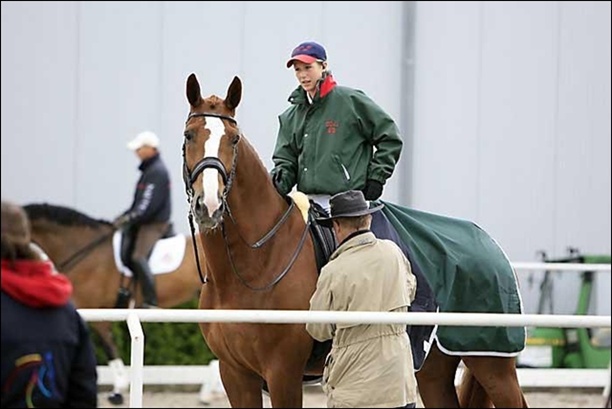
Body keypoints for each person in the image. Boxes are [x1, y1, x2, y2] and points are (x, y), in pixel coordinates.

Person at [305, 190, 418, 408]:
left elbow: (317, 328)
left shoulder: (334, 270)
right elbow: (410, 289)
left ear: (337, 226)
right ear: (369, 219)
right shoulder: (393, 253)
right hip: (399, 383)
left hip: (357, 389)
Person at [270, 40, 403, 212]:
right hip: (308, 207)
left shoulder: (351, 101)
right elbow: (285, 161)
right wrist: (275, 185)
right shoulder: (290, 117)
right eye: (298, 69)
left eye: (308, 67)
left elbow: (390, 137)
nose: (303, 75)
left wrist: (377, 177)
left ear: (323, 66)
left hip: (349, 205)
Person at [1, 200, 98, 408]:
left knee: (134, 255)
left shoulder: (156, 173)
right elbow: (84, 397)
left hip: (151, 226)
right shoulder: (69, 315)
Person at [113, 130, 172, 308]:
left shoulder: (156, 172)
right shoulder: (149, 170)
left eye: (139, 148)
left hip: (154, 225)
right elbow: (138, 203)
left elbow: (146, 206)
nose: (136, 152)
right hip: (145, 221)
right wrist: (125, 215)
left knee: (138, 256)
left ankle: (150, 300)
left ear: (150, 149)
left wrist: (130, 217)